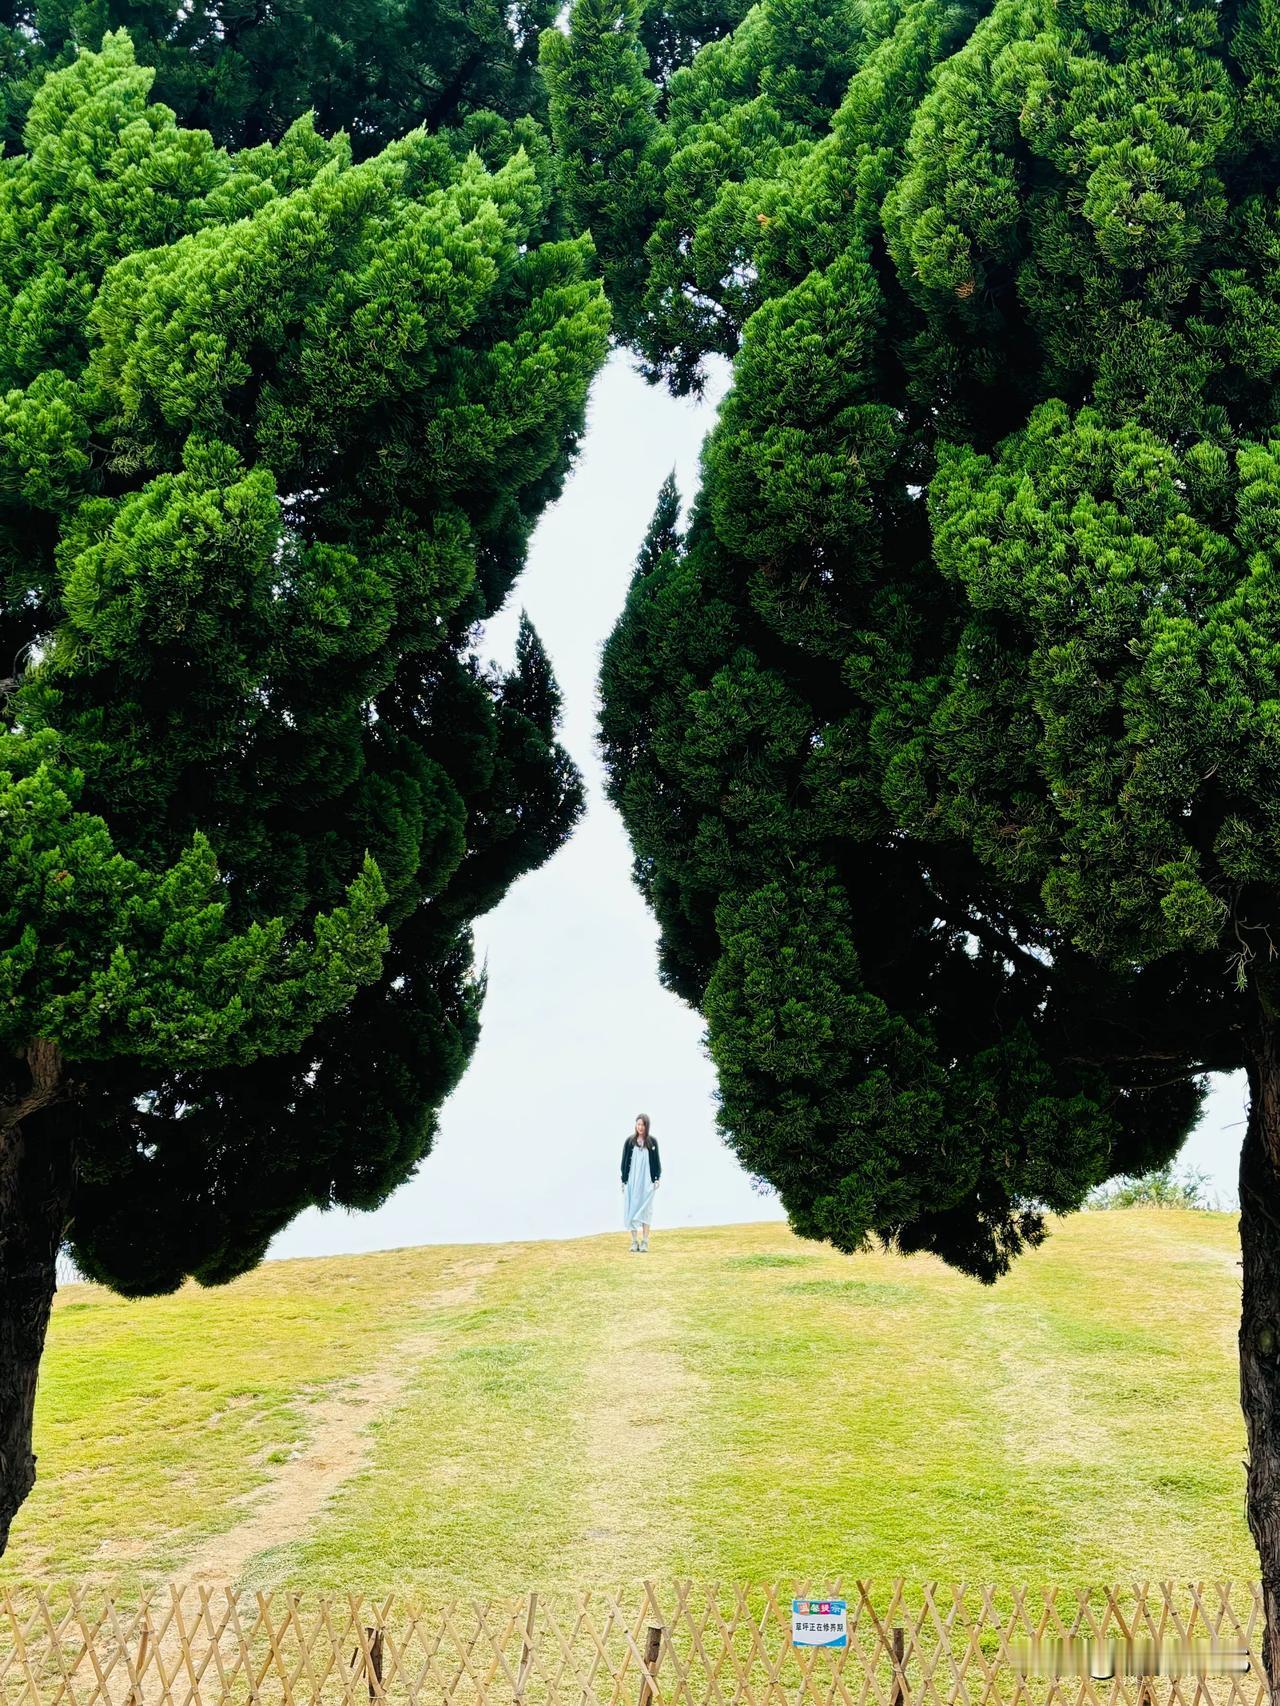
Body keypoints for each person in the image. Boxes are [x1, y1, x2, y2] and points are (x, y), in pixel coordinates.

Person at [621, 1114, 661, 1252]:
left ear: (647, 1126)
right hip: (632, 1181)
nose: (640, 1127)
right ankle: (634, 1242)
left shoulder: (652, 1142)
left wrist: (656, 1178)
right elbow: (624, 1162)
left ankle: (644, 1241)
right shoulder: (629, 1142)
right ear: (635, 1125)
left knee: (646, 1210)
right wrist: (623, 1180)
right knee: (631, 1209)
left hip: (646, 1182)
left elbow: (656, 1162)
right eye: (638, 1124)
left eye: (643, 1125)